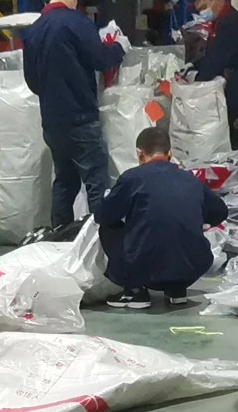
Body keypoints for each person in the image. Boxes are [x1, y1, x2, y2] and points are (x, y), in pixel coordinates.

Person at [23, 0, 124, 226]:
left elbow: (32, 81)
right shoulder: (75, 22)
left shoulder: (33, 32)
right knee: (97, 182)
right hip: (81, 119)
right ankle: (100, 237)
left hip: (52, 123)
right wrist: (119, 47)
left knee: (65, 183)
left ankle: (61, 236)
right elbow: (101, 59)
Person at [98, 124, 229, 310]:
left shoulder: (132, 178)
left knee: (108, 228)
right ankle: (177, 290)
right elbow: (220, 213)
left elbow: (103, 215)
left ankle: (135, 291)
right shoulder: (191, 180)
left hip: (145, 267)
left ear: (140, 154)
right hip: (193, 267)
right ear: (169, 154)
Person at [189, 0, 238, 152]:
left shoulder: (230, 23)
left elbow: (216, 61)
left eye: (204, 7)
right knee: (232, 141)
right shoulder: (220, 22)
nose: (203, 13)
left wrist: (194, 84)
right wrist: (192, 67)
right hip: (231, 88)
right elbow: (211, 55)